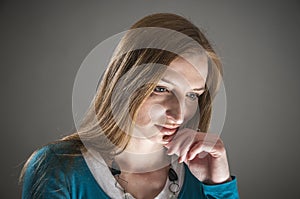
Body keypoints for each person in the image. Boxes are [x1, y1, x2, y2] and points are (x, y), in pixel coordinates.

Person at [20, 13, 239, 199]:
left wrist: (220, 186)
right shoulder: (58, 168)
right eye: (161, 89)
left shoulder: (204, 175)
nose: (180, 114)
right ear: (125, 82)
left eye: (192, 95)